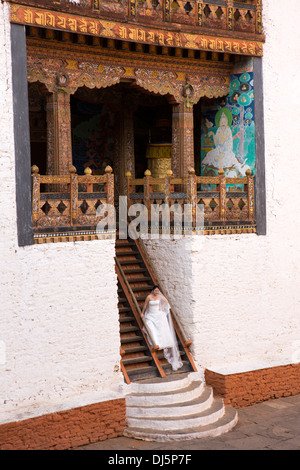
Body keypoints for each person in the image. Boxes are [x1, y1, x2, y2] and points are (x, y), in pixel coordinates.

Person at [141, 286, 183, 371]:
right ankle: (155, 342)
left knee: (161, 328)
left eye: (158, 290)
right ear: (153, 290)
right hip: (151, 315)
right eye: (155, 290)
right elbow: (145, 305)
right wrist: (142, 313)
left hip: (158, 313)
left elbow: (166, 301)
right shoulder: (149, 297)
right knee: (150, 326)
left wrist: (161, 307)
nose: (157, 292)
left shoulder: (160, 296)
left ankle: (161, 342)